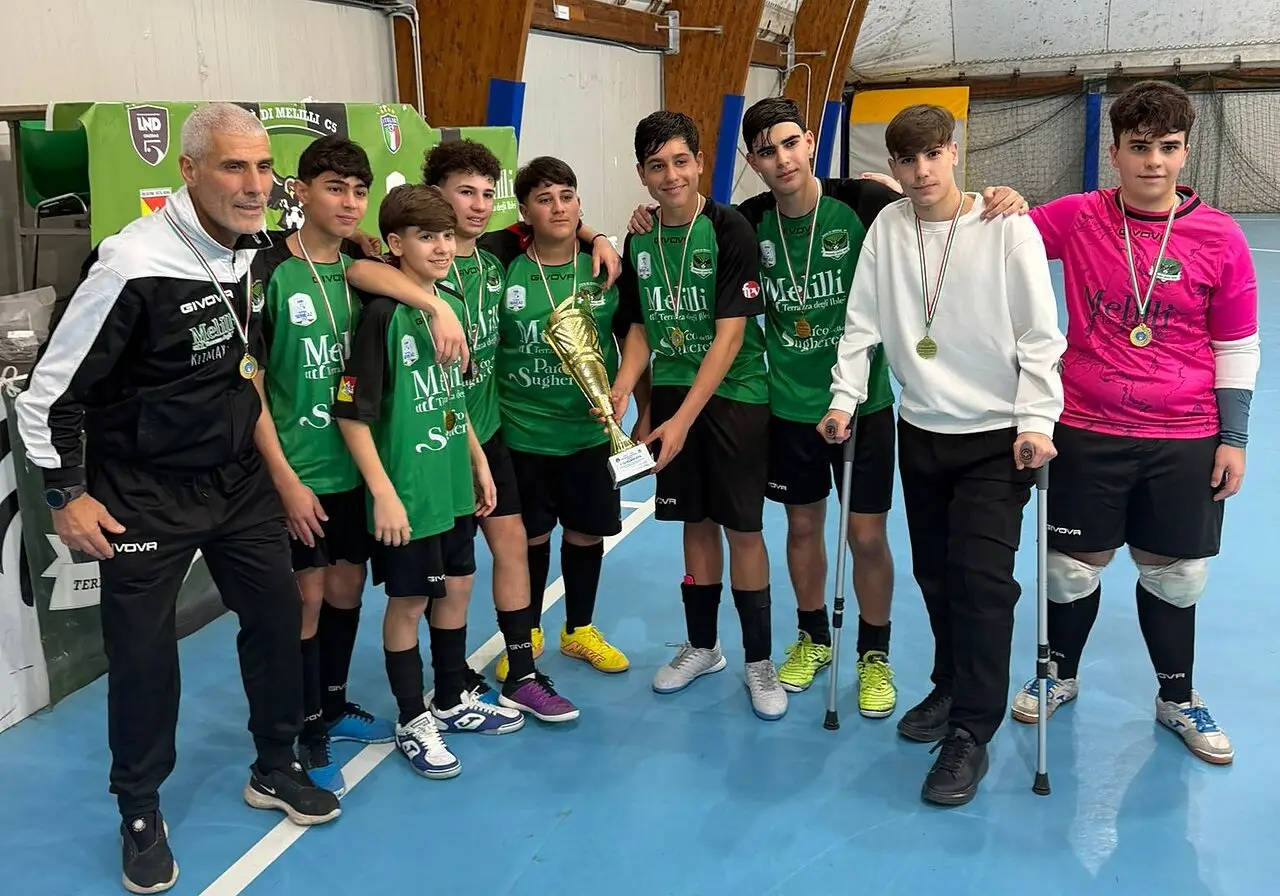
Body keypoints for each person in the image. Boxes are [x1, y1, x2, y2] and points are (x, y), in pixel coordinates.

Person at [14, 102, 340, 895]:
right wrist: (65, 493)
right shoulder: (131, 264)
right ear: (188, 171)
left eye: (264, 166)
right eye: (234, 166)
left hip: (236, 483)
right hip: (144, 494)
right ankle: (139, 809)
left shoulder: (252, 247)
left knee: (277, 617)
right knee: (144, 657)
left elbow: (347, 253)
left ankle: (274, 763)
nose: (255, 184)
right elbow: (47, 395)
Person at [625, 97, 1027, 714]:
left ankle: (874, 653)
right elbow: (688, 220)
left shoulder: (864, 202)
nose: (782, 159)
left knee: (866, 535)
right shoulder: (747, 221)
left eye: (791, 143)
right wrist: (639, 220)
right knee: (803, 527)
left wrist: (997, 195)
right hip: (788, 406)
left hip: (864, 402)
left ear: (811, 141)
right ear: (752, 162)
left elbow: (936, 200)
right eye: (766, 151)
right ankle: (812, 638)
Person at [820, 103, 1066, 806]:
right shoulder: (887, 230)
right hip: (922, 431)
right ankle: (951, 683)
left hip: (997, 438)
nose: (921, 170)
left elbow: (1040, 333)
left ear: (955, 151)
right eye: (907, 159)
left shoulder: (1005, 224)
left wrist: (1037, 418)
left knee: (981, 583)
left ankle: (971, 731)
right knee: (935, 575)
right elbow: (860, 324)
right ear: (893, 166)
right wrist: (844, 399)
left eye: (933, 154)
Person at [1008, 80, 1257, 766]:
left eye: (1168, 147)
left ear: (1185, 152)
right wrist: (984, 199)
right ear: (1114, 152)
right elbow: (997, 241)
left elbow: (1237, 344)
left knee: (1175, 575)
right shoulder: (1077, 217)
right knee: (1069, 569)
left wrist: (1234, 438)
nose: (1154, 161)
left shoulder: (1221, 235)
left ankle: (1176, 696)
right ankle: (1059, 674)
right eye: (1140, 146)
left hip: (1185, 434)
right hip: (1087, 427)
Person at [335, 184, 526, 779]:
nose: (442, 247)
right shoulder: (382, 316)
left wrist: (477, 459)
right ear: (395, 244)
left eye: (446, 235)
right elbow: (351, 414)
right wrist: (384, 494)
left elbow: (453, 396)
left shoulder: (448, 302)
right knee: (410, 602)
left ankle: (449, 698)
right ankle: (411, 717)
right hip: (408, 493)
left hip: (451, 483)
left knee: (459, 588)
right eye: (426, 237)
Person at [611, 110, 785, 720]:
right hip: (672, 391)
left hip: (734, 395)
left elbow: (730, 335)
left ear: (700, 163)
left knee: (743, 527)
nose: (671, 175)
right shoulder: (639, 238)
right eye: (657, 166)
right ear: (642, 174)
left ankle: (759, 661)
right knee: (695, 520)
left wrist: (681, 420)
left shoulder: (729, 229)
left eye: (681, 161)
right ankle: (704, 646)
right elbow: (638, 327)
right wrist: (623, 390)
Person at [251, 136, 398, 799]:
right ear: (300, 190)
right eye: (335, 188)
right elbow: (252, 385)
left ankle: (333, 705)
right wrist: (284, 480)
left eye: (358, 191)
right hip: (299, 471)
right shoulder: (267, 270)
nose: (348, 202)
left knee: (346, 589)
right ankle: (304, 727)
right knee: (305, 599)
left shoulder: (367, 270)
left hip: (356, 470)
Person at [419, 140, 579, 719]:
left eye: (488, 194)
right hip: (440, 444)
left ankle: (521, 674)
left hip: (490, 435)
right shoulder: (417, 273)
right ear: (435, 196)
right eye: (465, 192)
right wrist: (431, 302)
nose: (479, 205)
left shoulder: (493, 263)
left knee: (512, 547)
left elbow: (557, 229)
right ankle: (449, 683)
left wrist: (598, 237)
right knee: (454, 576)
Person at [480, 155, 632, 676]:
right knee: (531, 537)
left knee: (587, 533)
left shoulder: (604, 269)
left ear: (579, 203)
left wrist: (622, 391)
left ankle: (579, 629)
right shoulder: (502, 266)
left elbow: (633, 333)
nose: (558, 208)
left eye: (567, 197)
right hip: (523, 434)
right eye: (544, 200)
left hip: (590, 433)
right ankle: (527, 631)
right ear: (525, 211)